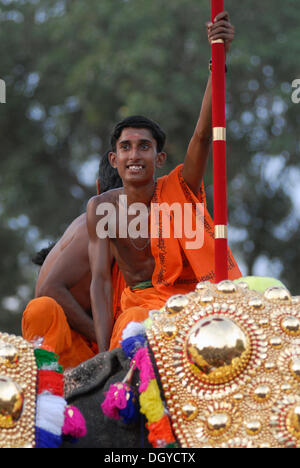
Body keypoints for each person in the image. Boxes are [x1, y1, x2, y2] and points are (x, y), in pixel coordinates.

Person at [87, 12, 242, 354]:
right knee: (133, 327)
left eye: (145, 146)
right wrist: (102, 353)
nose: (134, 155)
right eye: (125, 148)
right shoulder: (101, 208)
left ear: (160, 158)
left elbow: (203, 136)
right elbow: (99, 282)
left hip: (189, 304)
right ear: (115, 160)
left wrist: (219, 61)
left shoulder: (179, 185)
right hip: (138, 311)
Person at [22, 152, 126, 369]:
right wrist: (104, 340)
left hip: (97, 342)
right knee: (42, 308)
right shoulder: (92, 226)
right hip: (66, 341)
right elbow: (50, 289)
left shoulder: (134, 230)